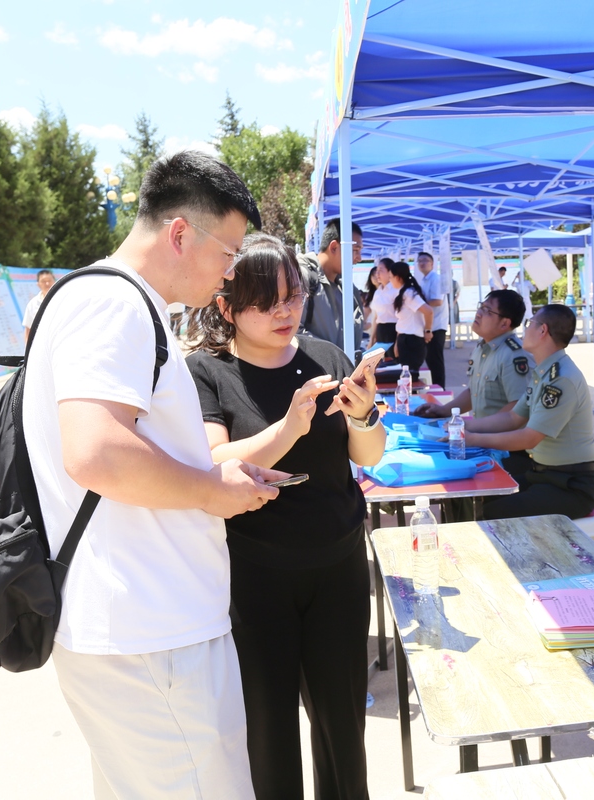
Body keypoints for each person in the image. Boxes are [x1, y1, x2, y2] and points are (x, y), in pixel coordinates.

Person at [23, 149, 283, 798]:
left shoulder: (97, 299)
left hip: (138, 628)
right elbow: (96, 451)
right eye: (227, 253)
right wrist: (210, 490)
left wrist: (208, 470)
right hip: (152, 631)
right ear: (178, 234)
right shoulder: (116, 305)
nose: (230, 274)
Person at [187, 233, 385, 800]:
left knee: (342, 724)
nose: (284, 311)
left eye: (292, 295)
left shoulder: (326, 357)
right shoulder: (209, 372)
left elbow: (366, 456)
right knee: (268, 730)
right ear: (226, 308)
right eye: (265, 300)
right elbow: (213, 461)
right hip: (256, 575)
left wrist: (366, 415)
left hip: (339, 566)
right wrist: (289, 428)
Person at [465, 304, 594, 520]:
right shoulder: (544, 372)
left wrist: (473, 439)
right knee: (476, 496)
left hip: (571, 486)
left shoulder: (561, 378)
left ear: (542, 330)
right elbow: (512, 418)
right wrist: (465, 426)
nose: (525, 330)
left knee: (491, 514)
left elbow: (530, 438)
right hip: (543, 475)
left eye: (530, 324)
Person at [413, 289, 533, 478]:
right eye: (481, 307)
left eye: (488, 310)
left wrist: (474, 429)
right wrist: (444, 410)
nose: (479, 313)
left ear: (505, 323)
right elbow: (474, 391)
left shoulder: (514, 355)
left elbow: (517, 409)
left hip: (506, 450)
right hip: (479, 441)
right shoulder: (483, 347)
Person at [298, 217, 365, 358]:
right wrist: (334, 358)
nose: (359, 258)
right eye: (355, 250)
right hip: (315, 377)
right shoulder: (302, 277)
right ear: (334, 247)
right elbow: (292, 332)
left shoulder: (347, 287)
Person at [388, 260, 433, 382]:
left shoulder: (409, 293)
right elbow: (402, 321)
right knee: (405, 377)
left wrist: (428, 330)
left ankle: (411, 399)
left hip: (412, 341)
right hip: (405, 339)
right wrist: (397, 342)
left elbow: (429, 311)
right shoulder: (404, 292)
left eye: (391, 277)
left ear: (398, 277)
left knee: (410, 377)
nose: (390, 280)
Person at [416, 251, 448, 387]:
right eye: (419, 261)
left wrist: (418, 306)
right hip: (430, 325)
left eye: (425, 260)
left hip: (436, 326)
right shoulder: (424, 280)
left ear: (432, 264)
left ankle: (440, 389)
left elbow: (437, 301)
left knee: (435, 361)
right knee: (430, 360)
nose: (422, 263)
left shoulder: (436, 279)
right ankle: (436, 387)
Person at [369, 257, 397, 346]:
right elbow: (376, 317)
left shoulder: (396, 290)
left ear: (390, 272)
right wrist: (372, 339)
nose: (377, 273)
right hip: (381, 330)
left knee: (394, 359)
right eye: (377, 270)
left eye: (381, 270)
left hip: (394, 330)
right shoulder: (378, 292)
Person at [21, 269, 55, 339]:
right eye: (43, 281)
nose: (47, 283)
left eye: (49, 280)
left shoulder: (63, 299)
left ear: (54, 281)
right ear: (38, 284)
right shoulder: (32, 304)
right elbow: (28, 330)